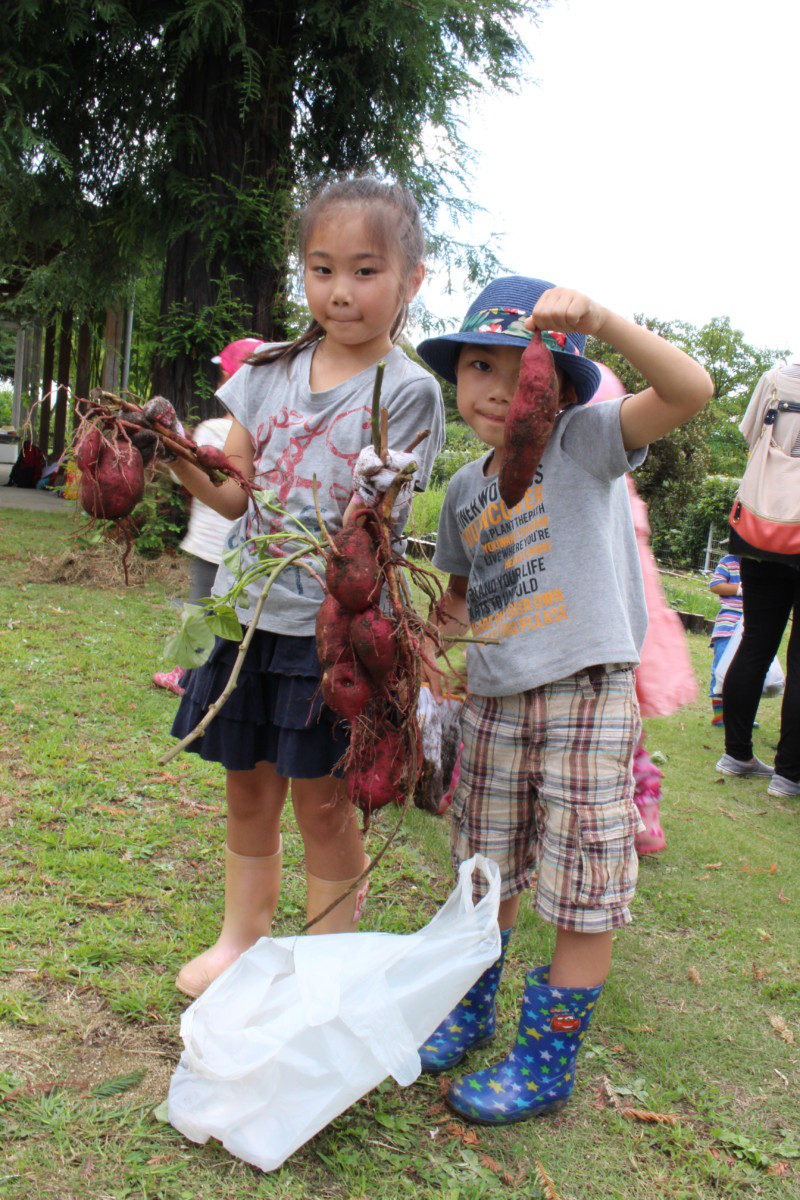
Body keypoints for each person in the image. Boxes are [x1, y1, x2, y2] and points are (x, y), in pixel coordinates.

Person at [415, 275, 712, 1125]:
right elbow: (459, 600)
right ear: (457, 377)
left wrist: (609, 321)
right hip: (495, 703)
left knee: (585, 874)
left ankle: (544, 1062)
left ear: (558, 386)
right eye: (478, 367)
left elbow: (691, 391)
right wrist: (421, 667)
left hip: (588, 695)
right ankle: (468, 1010)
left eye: (522, 369)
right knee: (483, 865)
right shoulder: (465, 492)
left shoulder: (585, 443)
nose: (500, 389)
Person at [164, 177, 445, 999]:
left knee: (325, 805)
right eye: (321, 270)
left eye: (365, 271)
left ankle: (328, 972)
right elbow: (232, 494)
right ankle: (240, 942)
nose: (341, 291)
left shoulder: (408, 390)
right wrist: (176, 449)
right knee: (248, 788)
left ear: (410, 279)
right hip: (247, 614)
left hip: (334, 634)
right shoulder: (267, 373)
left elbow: (376, 526)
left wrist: (378, 496)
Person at [153, 339, 261, 696]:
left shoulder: (214, 431)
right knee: (229, 616)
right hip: (244, 552)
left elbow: (182, 473)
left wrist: (171, 452)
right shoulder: (262, 437)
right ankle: (212, 677)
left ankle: (187, 677)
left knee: (199, 611)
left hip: (210, 546)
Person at [717, 358, 800, 796]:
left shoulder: (775, 379)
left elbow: (752, 436)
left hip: (762, 524)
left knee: (757, 640)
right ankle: (788, 776)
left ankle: (736, 754)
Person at [708, 554, 743, 725]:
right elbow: (715, 585)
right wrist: (738, 589)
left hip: (749, 626)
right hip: (727, 625)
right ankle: (720, 714)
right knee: (721, 668)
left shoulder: (764, 565)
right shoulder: (729, 561)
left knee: (745, 672)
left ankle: (742, 715)